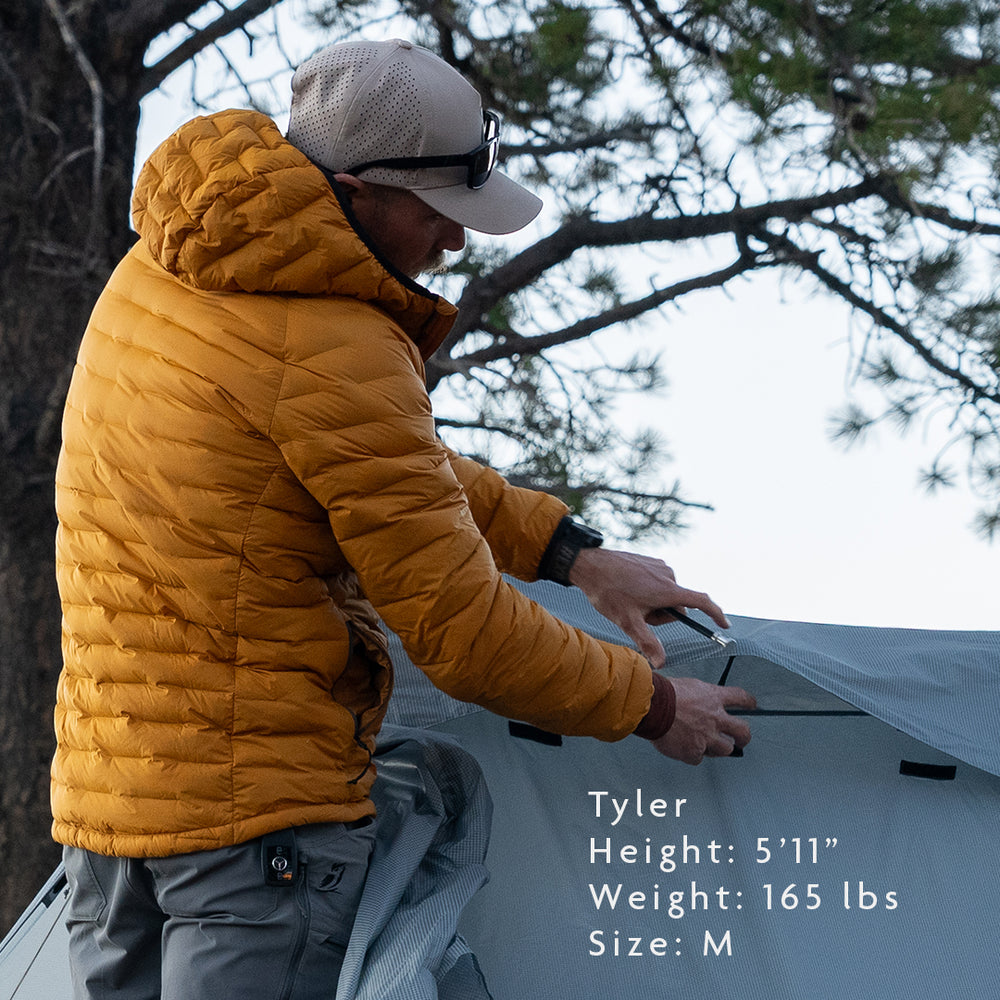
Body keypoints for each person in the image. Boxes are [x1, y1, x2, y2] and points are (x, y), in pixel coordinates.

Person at [51, 37, 755, 1000]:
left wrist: (570, 552)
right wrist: (657, 705)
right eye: (440, 212)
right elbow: (465, 635)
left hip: (107, 821)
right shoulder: (336, 343)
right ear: (354, 188)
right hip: (256, 838)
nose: (457, 242)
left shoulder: (163, 276)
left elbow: (362, 460)